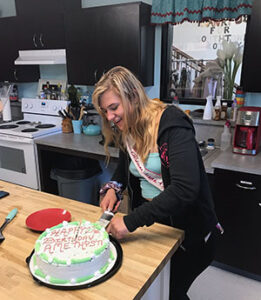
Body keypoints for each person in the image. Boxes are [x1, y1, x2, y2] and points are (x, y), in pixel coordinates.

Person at [92, 66, 222, 300]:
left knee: (169, 292)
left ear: (132, 95)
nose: (110, 117)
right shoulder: (128, 126)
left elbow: (185, 189)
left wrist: (130, 221)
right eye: (105, 111)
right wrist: (114, 187)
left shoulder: (171, 123)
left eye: (114, 108)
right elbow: (125, 167)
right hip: (154, 225)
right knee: (157, 290)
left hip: (188, 232)